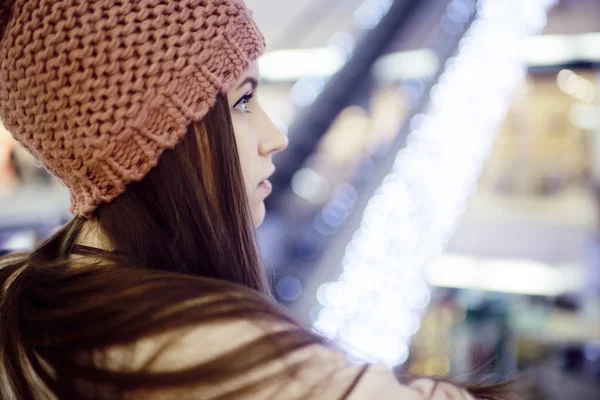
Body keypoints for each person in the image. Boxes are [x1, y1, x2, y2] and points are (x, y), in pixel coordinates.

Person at [0, 0, 517, 398]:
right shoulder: (208, 353)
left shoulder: (21, 296)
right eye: (243, 101)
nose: (275, 135)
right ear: (159, 138)